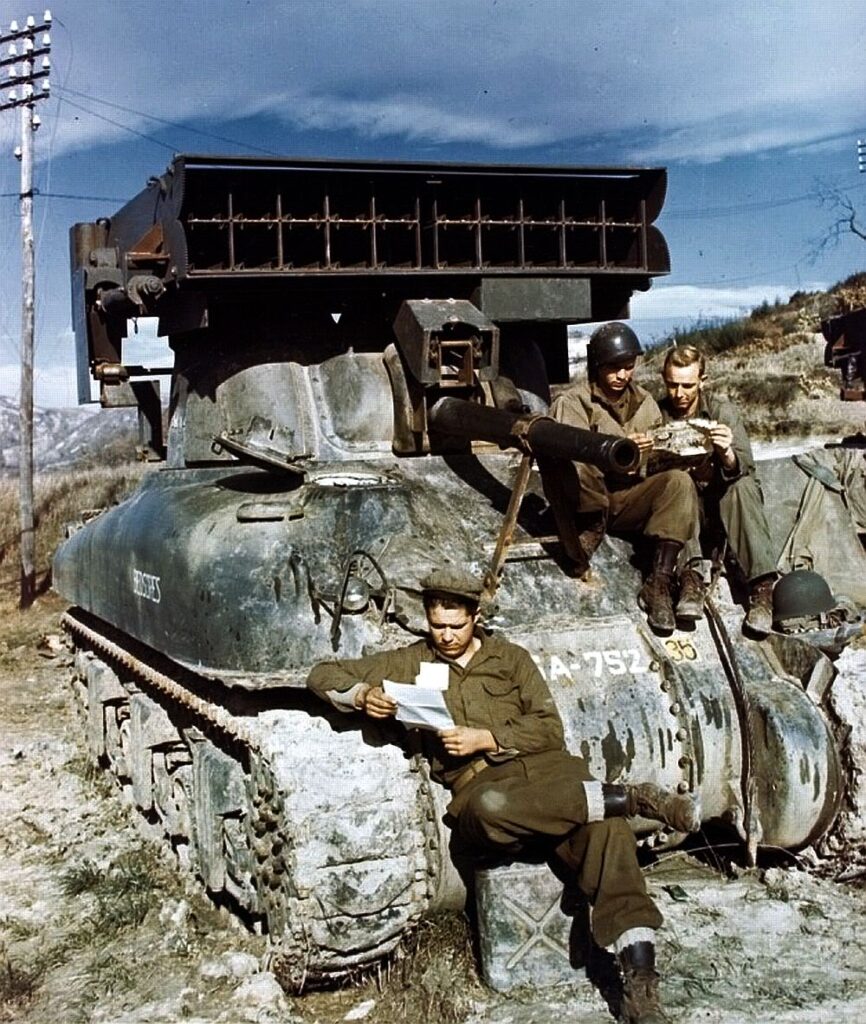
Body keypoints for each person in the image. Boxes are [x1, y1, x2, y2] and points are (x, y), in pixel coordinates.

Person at [307, 566, 701, 1024]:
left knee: (610, 835)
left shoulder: (511, 659)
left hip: (550, 775)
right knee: (490, 810)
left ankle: (641, 990)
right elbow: (322, 674)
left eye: (456, 626)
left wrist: (487, 738)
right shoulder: (414, 662)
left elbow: (549, 729)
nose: (446, 636)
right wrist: (361, 696)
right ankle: (631, 799)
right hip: (486, 790)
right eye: (437, 625)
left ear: (475, 617)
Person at [546, 322, 701, 633]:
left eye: (628, 367)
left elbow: (657, 462)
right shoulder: (573, 402)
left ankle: (659, 581)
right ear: (597, 366)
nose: (622, 375)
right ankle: (592, 525)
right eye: (614, 368)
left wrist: (651, 455)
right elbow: (567, 459)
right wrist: (618, 453)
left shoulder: (645, 403)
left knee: (679, 482)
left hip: (630, 496)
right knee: (576, 454)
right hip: (590, 499)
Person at [658, 345, 778, 635]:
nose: (679, 394)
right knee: (679, 488)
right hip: (681, 514)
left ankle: (762, 589)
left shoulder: (722, 411)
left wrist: (726, 454)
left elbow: (746, 466)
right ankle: (691, 579)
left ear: (702, 381)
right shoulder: (656, 412)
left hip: (721, 509)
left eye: (688, 385)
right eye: (672, 385)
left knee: (743, 485)